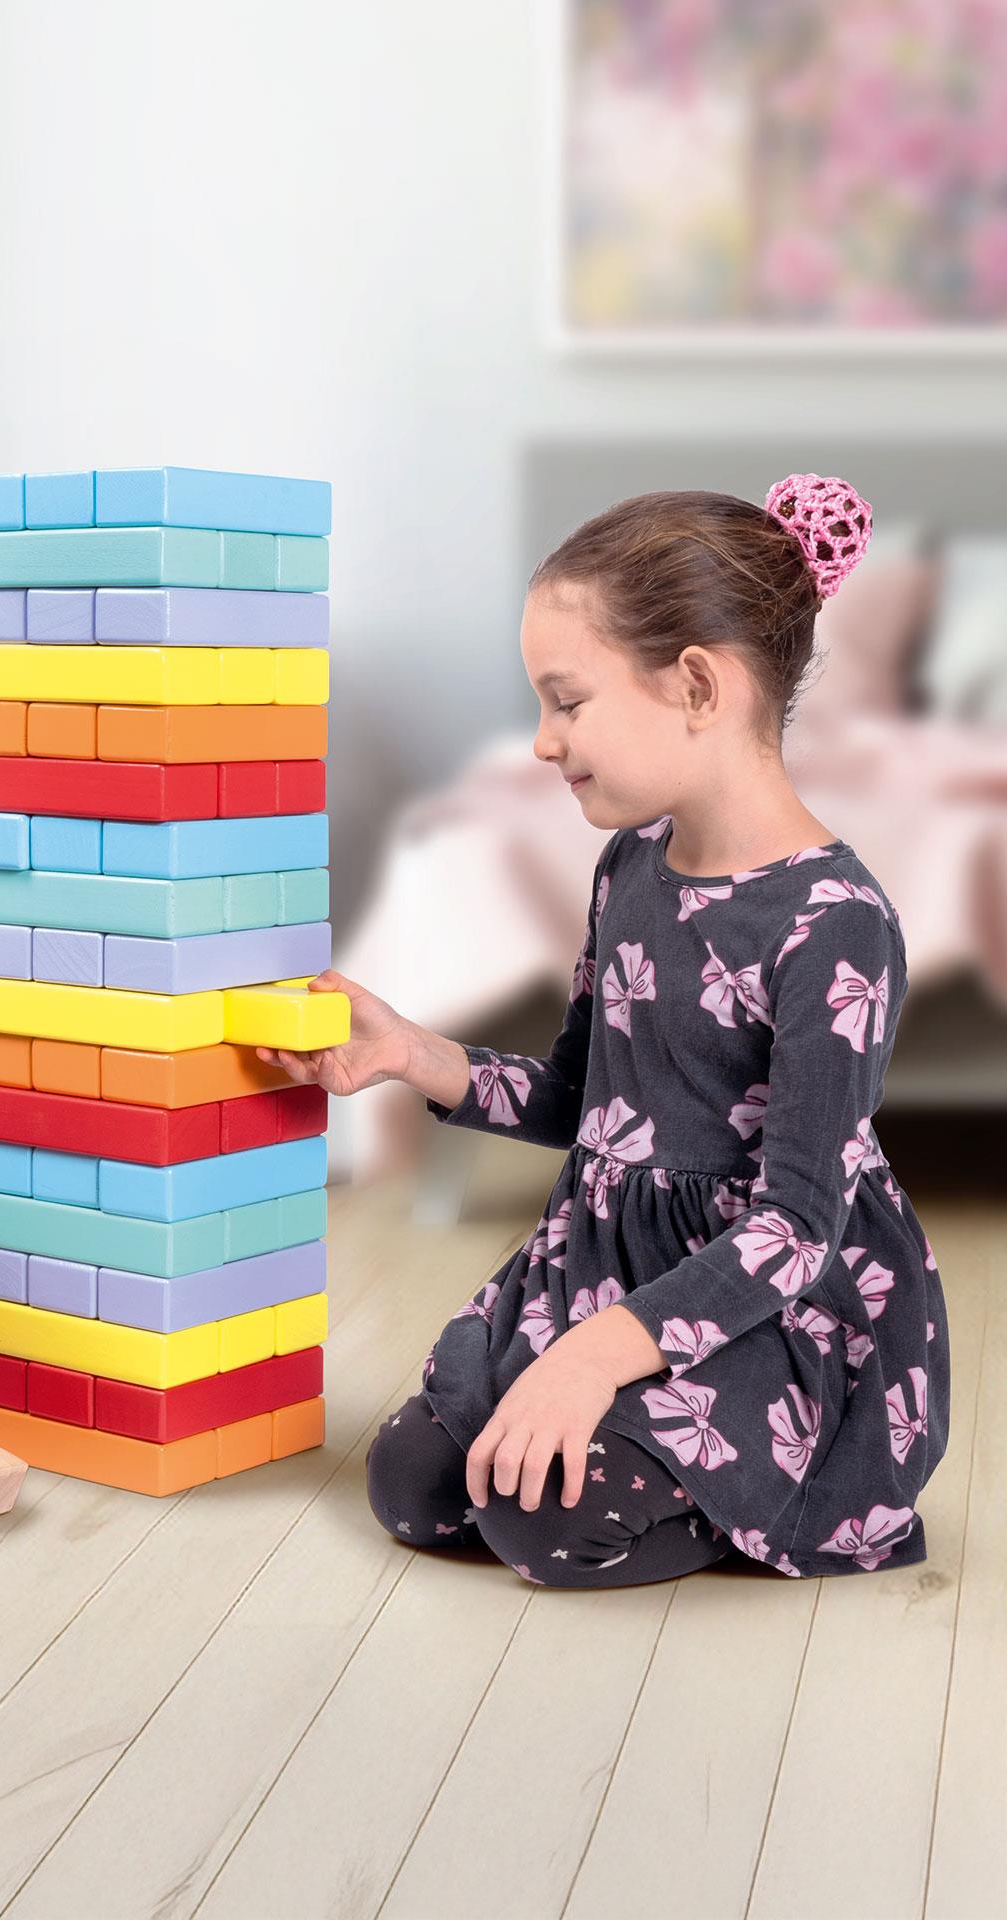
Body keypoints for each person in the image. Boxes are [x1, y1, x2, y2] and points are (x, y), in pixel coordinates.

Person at [261, 475, 948, 1586]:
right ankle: (637, 1443)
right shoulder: (629, 866)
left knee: (543, 1522)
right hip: (604, 1272)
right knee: (415, 1487)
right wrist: (409, 1053)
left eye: (566, 701)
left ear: (696, 686)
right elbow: (589, 1104)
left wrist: (590, 1363)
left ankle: (760, 1489)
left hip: (760, 1312)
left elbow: (794, 1231)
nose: (543, 741)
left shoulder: (835, 924)